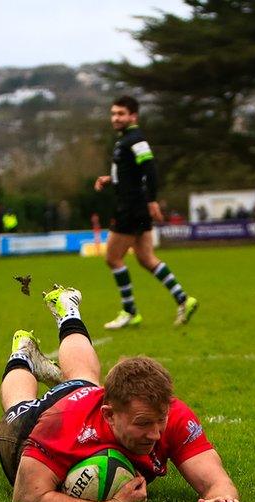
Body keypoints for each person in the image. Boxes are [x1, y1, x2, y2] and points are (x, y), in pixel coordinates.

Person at [0, 284, 244, 502]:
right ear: (109, 414)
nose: (156, 434)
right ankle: (21, 355)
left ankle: (68, 312)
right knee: (18, 404)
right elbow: (27, 497)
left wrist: (221, 498)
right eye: (144, 423)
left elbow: (215, 479)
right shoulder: (61, 425)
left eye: (160, 420)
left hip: (84, 396)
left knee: (84, 376)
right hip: (31, 425)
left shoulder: (172, 413)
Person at [94, 96, 198, 329]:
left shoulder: (136, 139)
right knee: (146, 258)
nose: (115, 118)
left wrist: (152, 201)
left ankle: (130, 312)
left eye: (121, 114)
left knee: (112, 258)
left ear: (133, 116)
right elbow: (132, 173)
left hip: (131, 207)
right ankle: (184, 299)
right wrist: (111, 179)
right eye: (113, 113)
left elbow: (149, 170)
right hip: (135, 204)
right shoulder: (125, 140)